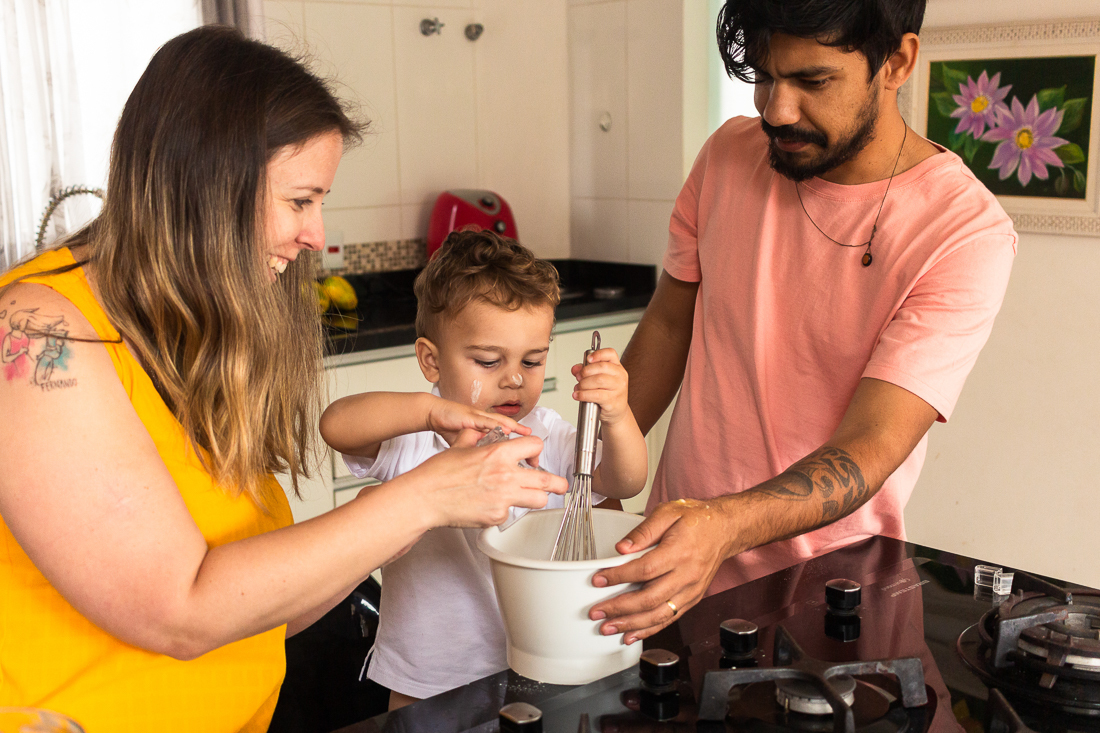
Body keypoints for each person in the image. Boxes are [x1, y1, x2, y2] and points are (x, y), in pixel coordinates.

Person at [0, 27, 566, 733]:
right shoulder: (38, 335)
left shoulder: (193, 328)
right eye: (300, 201)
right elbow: (179, 611)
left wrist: (409, 512)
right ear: (208, 185)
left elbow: (258, 603)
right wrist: (422, 497)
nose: (315, 235)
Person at [587, 0, 1017, 645]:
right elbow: (671, 327)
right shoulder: (727, 156)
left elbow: (870, 446)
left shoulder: (963, 232)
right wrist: (589, 479)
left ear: (896, 62)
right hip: (675, 563)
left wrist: (723, 525)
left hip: (833, 590)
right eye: (763, 77)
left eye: (812, 81)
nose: (777, 110)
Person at [319, 228, 648, 709]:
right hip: (427, 675)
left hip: (536, 665)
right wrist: (430, 411)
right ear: (431, 361)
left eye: (532, 361)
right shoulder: (416, 438)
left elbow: (626, 480)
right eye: (489, 361)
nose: (514, 378)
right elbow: (336, 425)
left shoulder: (547, 435)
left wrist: (617, 414)